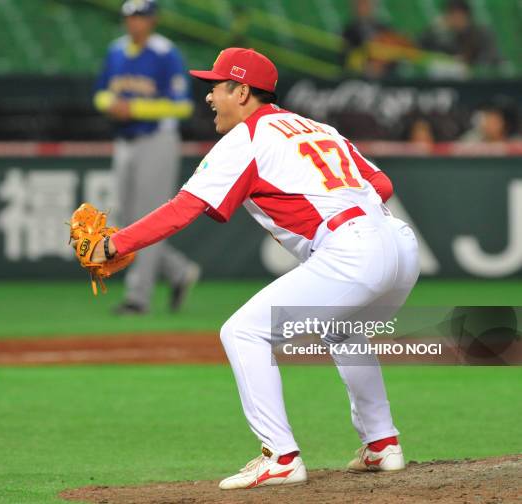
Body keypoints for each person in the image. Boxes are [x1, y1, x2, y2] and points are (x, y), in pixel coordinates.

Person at [84, 48, 419, 489]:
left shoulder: (246, 138)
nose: (208, 97)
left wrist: (112, 244)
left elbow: (184, 208)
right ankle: (381, 444)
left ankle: (279, 457)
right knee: (345, 331)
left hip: (352, 250)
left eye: (215, 87)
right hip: (398, 243)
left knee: (243, 332)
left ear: (242, 91)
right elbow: (382, 183)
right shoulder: (317, 126)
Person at [93, 0, 200, 315]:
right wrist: (108, 103)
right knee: (126, 221)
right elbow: (99, 92)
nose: (134, 23)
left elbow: (183, 106)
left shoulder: (165, 52)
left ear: (153, 20)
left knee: (146, 219)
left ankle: (138, 298)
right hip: (125, 140)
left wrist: (136, 108)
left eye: (141, 17)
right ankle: (179, 271)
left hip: (157, 139)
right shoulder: (116, 51)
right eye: (130, 17)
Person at [419, 0, 500, 69]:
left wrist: (467, 64)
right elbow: (421, 49)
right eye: (452, 15)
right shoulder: (443, 36)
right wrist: (434, 28)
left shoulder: (481, 34)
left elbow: (489, 58)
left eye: (459, 15)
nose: (456, 20)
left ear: (468, 16)